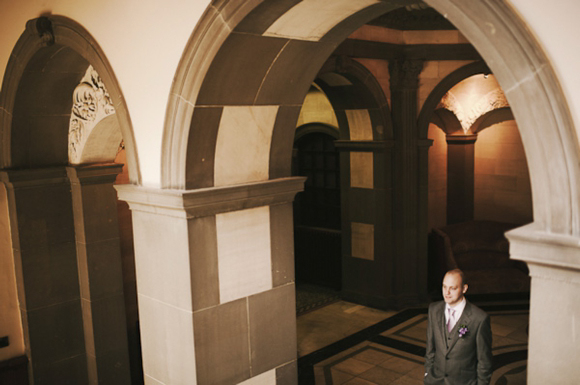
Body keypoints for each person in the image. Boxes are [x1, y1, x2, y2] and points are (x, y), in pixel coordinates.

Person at [424, 269, 492, 384]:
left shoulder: (479, 318)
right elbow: (430, 348)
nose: (447, 292)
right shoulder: (434, 310)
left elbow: (484, 362)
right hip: (435, 380)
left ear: (464, 289)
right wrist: (428, 373)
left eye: (453, 288)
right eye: (444, 287)